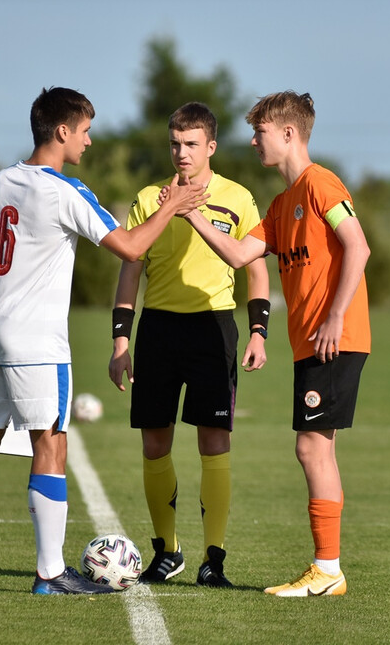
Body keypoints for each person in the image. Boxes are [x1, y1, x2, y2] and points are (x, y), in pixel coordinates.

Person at [0, 87, 206, 595]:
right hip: (38, 346)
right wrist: (174, 206)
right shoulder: (65, 191)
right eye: (84, 131)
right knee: (51, 444)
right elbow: (130, 247)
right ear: (62, 132)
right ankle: (50, 573)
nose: (90, 140)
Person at [178, 91, 370, 597]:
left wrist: (333, 317)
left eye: (260, 131)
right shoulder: (283, 205)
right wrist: (192, 216)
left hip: (334, 337)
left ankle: (327, 570)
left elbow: (358, 244)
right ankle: (326, 569)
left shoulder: (319, 184)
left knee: (312, 449)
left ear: (288, 134)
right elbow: (242, 255)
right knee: (313, 449)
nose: (253, 139)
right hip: (313, 343)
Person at [108, 101, 270, 588]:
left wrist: (259, 330)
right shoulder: (148, 198)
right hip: (157, 330)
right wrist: (121, 341)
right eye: (175, 143)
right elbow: (129, 273)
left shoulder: (237, 198)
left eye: (192, 144)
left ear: (211, 147)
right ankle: (167, 550)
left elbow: (256, 268)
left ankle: (213, 559)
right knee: (155, 442)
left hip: (213, 329)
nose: (181, 152)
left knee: (213, 441)